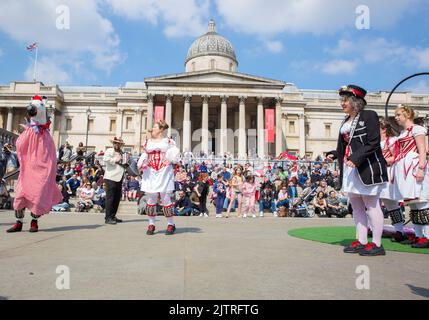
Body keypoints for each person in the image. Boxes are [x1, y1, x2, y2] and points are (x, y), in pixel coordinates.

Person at [328, 85, 388, 256]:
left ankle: (377, 244)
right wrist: (335, 154)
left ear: (355, 101)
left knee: (371, 205)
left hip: (367, 167)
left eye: (345, 100)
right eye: (342, 100)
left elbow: (373, 142)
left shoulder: (369, 115)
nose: (342, 103)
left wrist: (356, 158)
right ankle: (362, 241)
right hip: (351, 169)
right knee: (356, 206)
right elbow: (348, 145)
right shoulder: (345, 121)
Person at [7, 95, 62, 233]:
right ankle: (18, 222)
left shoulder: (46, 136)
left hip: (41, 169)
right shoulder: (30, 131)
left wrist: (49, 170)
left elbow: (50, 155)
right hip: (28, 169)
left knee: (38, 194)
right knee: (21, 193)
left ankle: (34, 221)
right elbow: (20, 145)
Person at [390, 105, 429, 248]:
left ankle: (426, 236)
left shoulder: (418, 129)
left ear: (407, 115)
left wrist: (421, 169)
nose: (396, 117)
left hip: (414, 168)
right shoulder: (403, 132)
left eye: (399, 114)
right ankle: (419, 236)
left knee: (422, 201)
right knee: (413, 203)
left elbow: (422, 151)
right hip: (405, 170)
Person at [138, 120, 180, 235]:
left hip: (164, 172)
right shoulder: (147, 142)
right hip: (150, 172)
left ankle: (170, 224)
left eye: (155, 127)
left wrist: (170, 159)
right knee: (151, 199)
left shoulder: (168, 141)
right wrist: (142, 163)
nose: (153, 129)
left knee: (166, 198)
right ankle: (151, 224)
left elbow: (175, 155)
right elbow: (145, 155)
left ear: (161, 130)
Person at [378, 118, 405, 242]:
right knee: (372, 203)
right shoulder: (374, 142)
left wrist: (387, 160)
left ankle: (399, 230)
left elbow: (398, 155)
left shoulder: (392, 141)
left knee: (390, 202)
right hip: (375, 175)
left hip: (388, 173)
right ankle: (373, 228)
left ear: (384, 129)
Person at [103, 137, 126, 225]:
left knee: (116, 198)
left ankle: (113, 215)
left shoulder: (122, 153)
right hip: (111, 177)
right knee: (110, 198)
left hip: (119, 177)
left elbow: (124, 163)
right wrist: (116, 160)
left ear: (120, 145)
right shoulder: (109, 151)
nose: (116, 144)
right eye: (115, 143)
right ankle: (108, 217)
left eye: (118, 143)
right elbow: (105, 159)